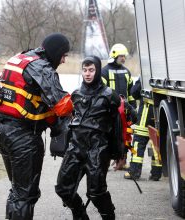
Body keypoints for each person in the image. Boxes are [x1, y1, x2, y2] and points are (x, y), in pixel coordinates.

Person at [0, 33, 73, 220]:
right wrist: (79, 101)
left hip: (2, 131)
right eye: (63, 55)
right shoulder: (42, 67)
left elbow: (34, 100)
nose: (63, 60)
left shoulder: (21, 58)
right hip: (23, 138)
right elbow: (62, 105)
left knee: (18, 190)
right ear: (54, 52)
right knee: (25, 194)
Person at [55, 56, 123, 220]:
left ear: (98, 70)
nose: (87, 74)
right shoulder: (76, 95)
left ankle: (109, 217)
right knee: (63, 189)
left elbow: (117, 127)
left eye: (91, 70)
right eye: (84, 70)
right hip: (76, 148)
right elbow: (68, 121)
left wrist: (120, 154)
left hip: (98, 150)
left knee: (96, 193)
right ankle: (80, 215)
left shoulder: (109, 96)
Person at [101, 43, 137, 169]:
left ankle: (122, 160)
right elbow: (101, 92)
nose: (123, 58)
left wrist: (132, 106)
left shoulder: (126, 71)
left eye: (124, 56)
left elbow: (131, 91)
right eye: (121, 56)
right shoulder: (104, 71)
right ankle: (107, 160)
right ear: (114, 55)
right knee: (108, 135)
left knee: (125, 135)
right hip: (110, 110)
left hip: (124, 110)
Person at [124, 77, 162, 180]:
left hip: (146, 112)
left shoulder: (146, 73)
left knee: (138, 142)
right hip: (161, 111)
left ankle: (134, 172)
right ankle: (156, 174)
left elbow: (135, 93)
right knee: (156, 143)